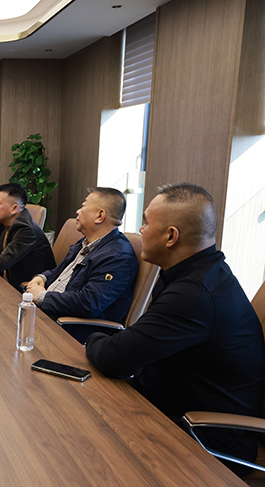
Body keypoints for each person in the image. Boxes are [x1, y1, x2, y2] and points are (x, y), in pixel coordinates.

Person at [85, 183, 265, 476]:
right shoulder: (194, 272)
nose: (140, 230)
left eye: (146, 222)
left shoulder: (195, 293)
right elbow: (134, 346)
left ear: (171, 236)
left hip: (205, 438)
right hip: (172, 406)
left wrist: (92, 338)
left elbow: (114, 358)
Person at [26, 188, 138, 338]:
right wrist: (43, 277)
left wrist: (42, 296)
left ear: (100, 216)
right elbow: (60, 272)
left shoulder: (117, 257)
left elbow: (88, 303)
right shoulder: (86, 243)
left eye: (83, 206)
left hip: (67, 331)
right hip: (46, 315)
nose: (78, 211)